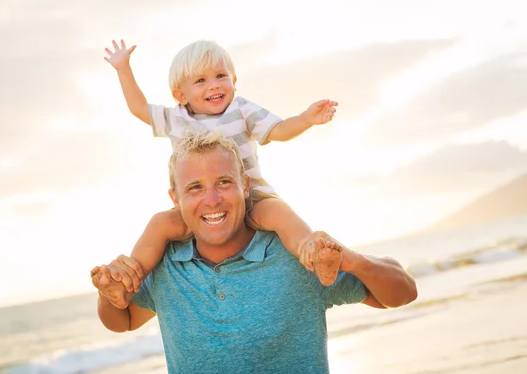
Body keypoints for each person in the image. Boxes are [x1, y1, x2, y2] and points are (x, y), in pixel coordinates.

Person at [91, 130, 418, 374]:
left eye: (223, 182)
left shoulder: (296, 258)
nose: (212, 200)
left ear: (245, 187)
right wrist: (111, 296)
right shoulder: (167, 266)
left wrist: (351, 260)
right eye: (194, 188)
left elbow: (402, 292)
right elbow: (125, 320)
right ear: (175, 199)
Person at [103, 39, 342, 289]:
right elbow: (139, 108)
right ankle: (127, 278)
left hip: (252, 199)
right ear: (180, 95)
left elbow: (278, 130)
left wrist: (306, 119)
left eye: (220, 76)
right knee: (159, 224)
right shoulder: (176, 119)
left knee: (280, 213)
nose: (214, 85)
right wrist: (123, 69)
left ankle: (314, 253)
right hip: (200, 206)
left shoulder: (241, 110)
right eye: (201, 81)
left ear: (234, 81)